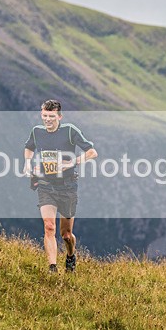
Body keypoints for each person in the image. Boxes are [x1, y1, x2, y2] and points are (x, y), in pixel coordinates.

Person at [24, 99, 97, 273]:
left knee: (66, 235)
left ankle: (71, 255)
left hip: (67, 187)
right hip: (46, 185)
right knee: (49, 226)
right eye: (44, 116)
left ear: (59, 116)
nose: (47, 120)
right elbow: (28, 148)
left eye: (51, 117)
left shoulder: (70, 131)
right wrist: (27, 163)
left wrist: (74, 162)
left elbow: (92, 152)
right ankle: (52, 268)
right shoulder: (37, 132)